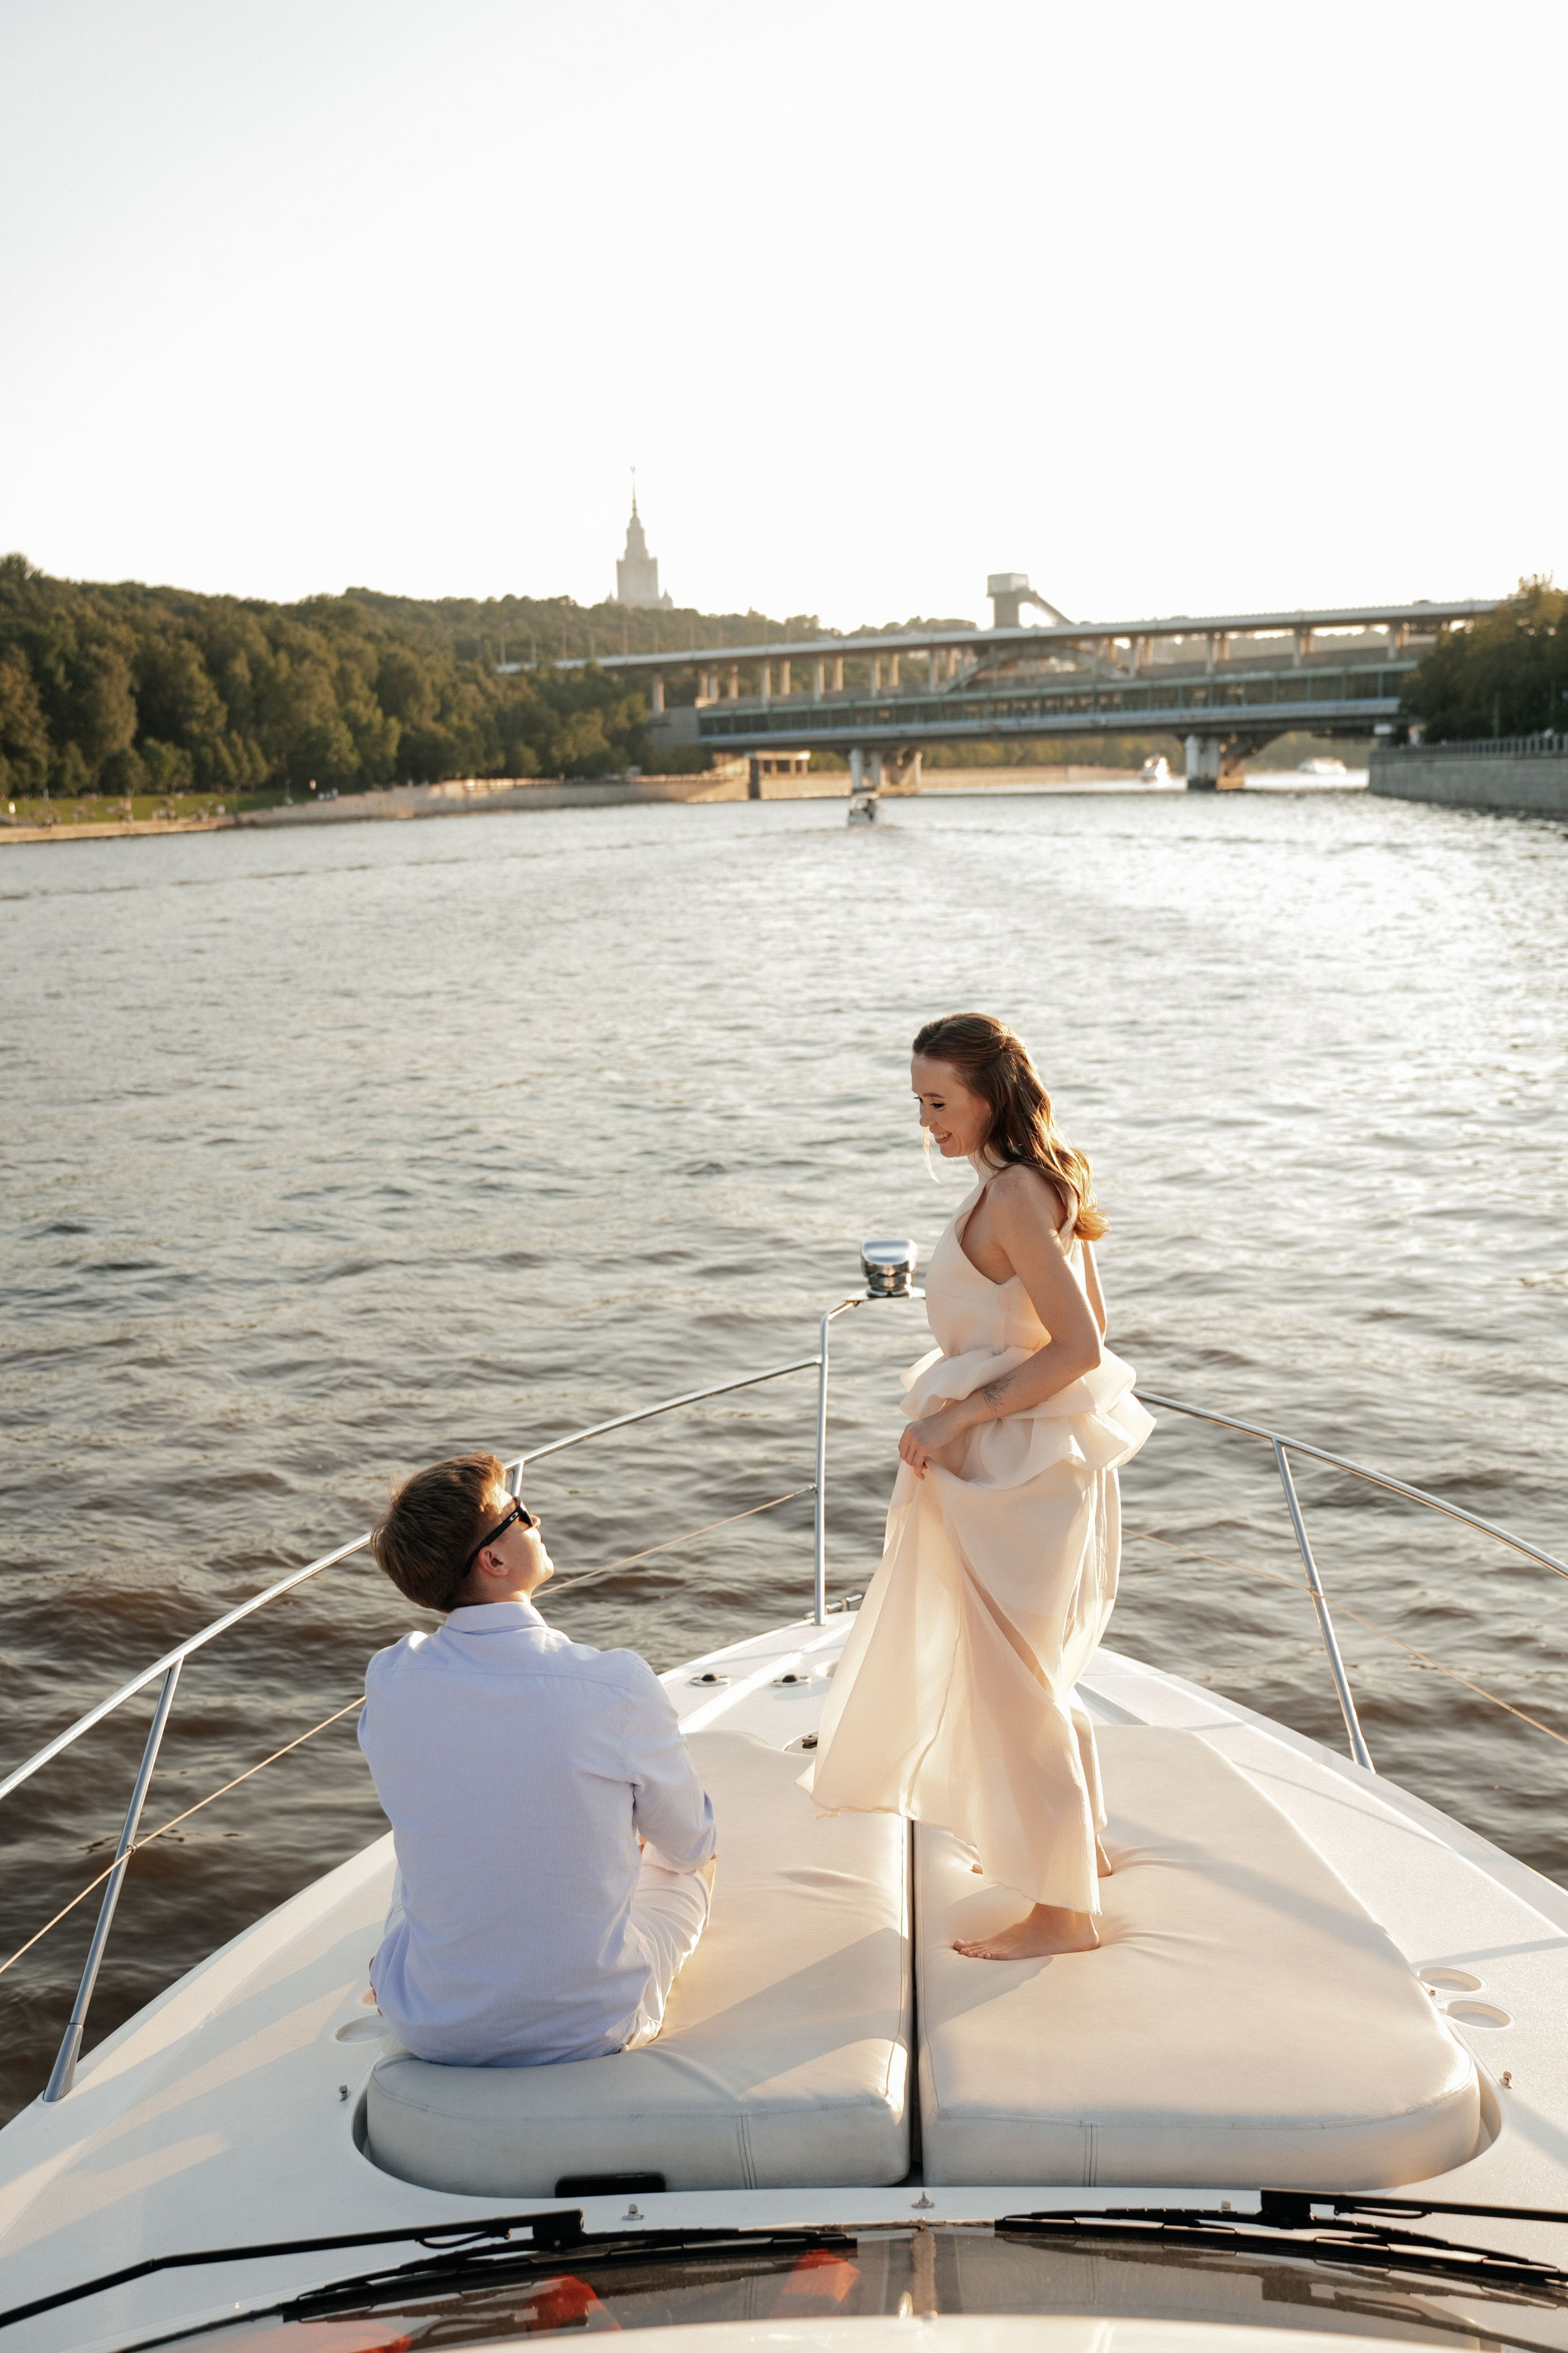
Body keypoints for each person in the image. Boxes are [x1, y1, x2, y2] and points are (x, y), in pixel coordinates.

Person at [804, 1013, 1152, 1959]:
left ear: (989, 1095)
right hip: (1030, 1458)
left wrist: (961, 1412)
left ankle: (1062, 1913)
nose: (926, 1121)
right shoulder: (1036, 1185)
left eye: (938, 1101)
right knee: (1031, 1670)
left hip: (1013, 1467)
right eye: (919, 1101)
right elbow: (1087, 1326)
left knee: (1011, 1681)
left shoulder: (1010, 1196)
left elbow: (1082, 1349)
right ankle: (1081, 1853)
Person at [359, 1452, 717, 2066]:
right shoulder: (615, 1684)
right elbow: (690, 1844)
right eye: (518, 1514)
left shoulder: (390, 1677)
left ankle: (412, 1976)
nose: (536, 1518)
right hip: (591, 2026)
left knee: (420, 1855)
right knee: (686, 1863)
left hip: (433, 2027)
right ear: (493, 1561)